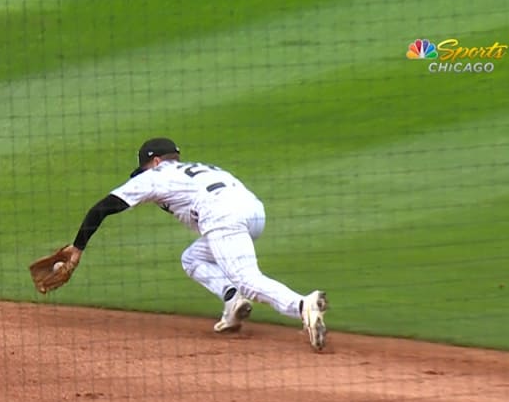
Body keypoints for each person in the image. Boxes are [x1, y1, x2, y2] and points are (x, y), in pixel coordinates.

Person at [53, 137, 329, 351]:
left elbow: (102, 207)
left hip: (222, 216)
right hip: (253, 211)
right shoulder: (196, 169)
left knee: (248, 279)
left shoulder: (155, 175)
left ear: (156, 161)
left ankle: (303, 305)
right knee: (193, 259)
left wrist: (78, 248)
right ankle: (233, 301)